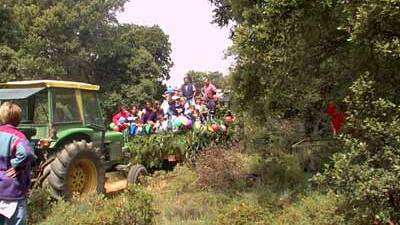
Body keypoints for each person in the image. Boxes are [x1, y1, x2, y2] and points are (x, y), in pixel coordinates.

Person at [0, 102, 35, 225]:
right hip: (13, 190)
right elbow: (27, 154)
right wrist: (16, 165)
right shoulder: (17, 136)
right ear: (18, 119)